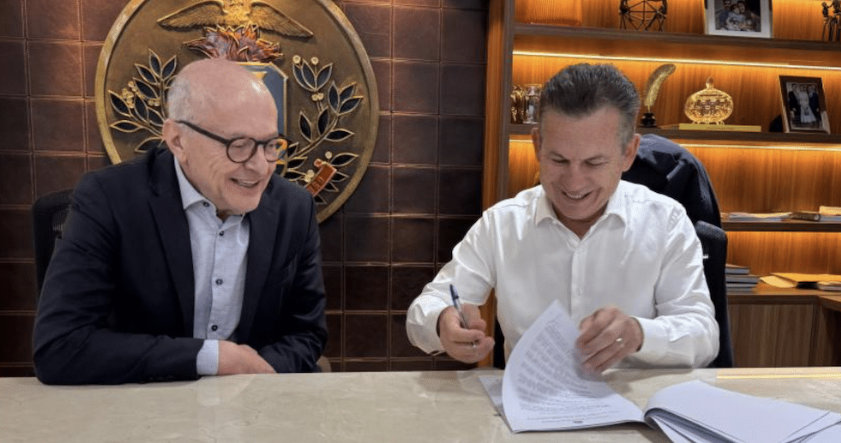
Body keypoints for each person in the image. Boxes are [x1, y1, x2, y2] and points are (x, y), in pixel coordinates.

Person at [406, 64, 719, 373]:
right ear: (538, 146)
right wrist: (442, 321)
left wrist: (640, 334)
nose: (574, 182)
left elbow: (703, 336)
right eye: (558, 160)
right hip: (527, 401)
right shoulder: (501, 224)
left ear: (628, 153)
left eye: (594, 163)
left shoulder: (666, 221)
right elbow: (425, 309)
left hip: (632, 401)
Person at [33, 59, 327, 384]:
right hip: (144, 403)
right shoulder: (109, 199)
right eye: (239, 145)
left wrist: (259, 374)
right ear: (177, 140)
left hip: (253, 401)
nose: (260, 166)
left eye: (270, 145)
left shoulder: (293, 208)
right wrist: (211, 359)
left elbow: (306, 334)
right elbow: (60, 346)